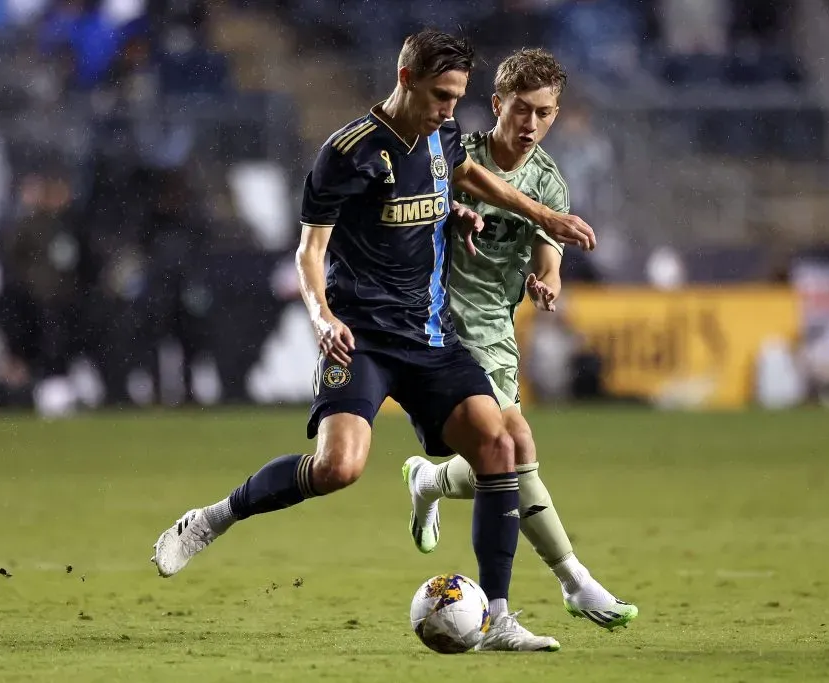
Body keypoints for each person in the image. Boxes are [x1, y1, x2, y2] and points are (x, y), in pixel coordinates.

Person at [150, 29, 596, 652]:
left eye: (457, 97)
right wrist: (321, 318)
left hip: (429, 334)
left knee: (499, 444)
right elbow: (309, 252)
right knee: (339, 468)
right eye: (440, 95)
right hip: (360, 337)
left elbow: (466, 176)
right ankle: (214, 518)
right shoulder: (347, 153)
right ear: (406, 78)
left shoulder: (443, 134)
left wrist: (529, 215)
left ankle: (498, 618)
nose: (449, 110)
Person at [401, 48, 638, 631]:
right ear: (497, 104)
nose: (532, 124)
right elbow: (431, 205)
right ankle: (574, 581)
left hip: (495, 325)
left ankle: (431, 480)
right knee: (518, 443)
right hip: (439, 317)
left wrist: (547, 283)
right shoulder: (458, 154)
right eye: (522, 109)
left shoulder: (548, 181)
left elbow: (548, 253)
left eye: (545, 113)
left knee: (503, 457)